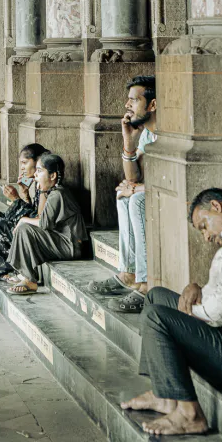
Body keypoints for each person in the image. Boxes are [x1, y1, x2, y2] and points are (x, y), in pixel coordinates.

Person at [121, 188, 222, 437]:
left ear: (216, 206)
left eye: (203, 226)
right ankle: (165, 396)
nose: (205, 237)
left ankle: (190, 414)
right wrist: (197, 288)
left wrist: (190, 311)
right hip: (221, 332)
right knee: (155, 296)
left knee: (156, 317)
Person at [89, 74, 157, 313]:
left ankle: (147, 283)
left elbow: (177, 183)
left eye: (133, 100)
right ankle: (128, 273)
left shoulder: (170, 131)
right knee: (123, 194)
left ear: (152, 104)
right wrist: (128, 142)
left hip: (177, 203)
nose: (127, 105)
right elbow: (131, 178)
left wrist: (140, 188)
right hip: (154, 196)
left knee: (137, 198)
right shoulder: (147, 133)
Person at [0, 143, 50, 309]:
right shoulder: (36, 184)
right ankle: (3, 271)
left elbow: (39, 220)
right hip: (28, 228)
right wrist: (24, 196)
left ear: (37, 161)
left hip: (36, 235)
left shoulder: (45, 185)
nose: (22, 168)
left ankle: (7, 269)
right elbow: (32, 213)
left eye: (25, 163)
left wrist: (17, 200)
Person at [5, 153, 88, 295]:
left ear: (52, 176)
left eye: (39, 171)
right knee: (24, 228)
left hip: (70, 247)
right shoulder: (54, 192)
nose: (35, 175)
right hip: (64, 242)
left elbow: (44, 224)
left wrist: (23, 219)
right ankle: (24, 274)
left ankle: (29, 280)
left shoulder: (57, 194)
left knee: (24, 228)